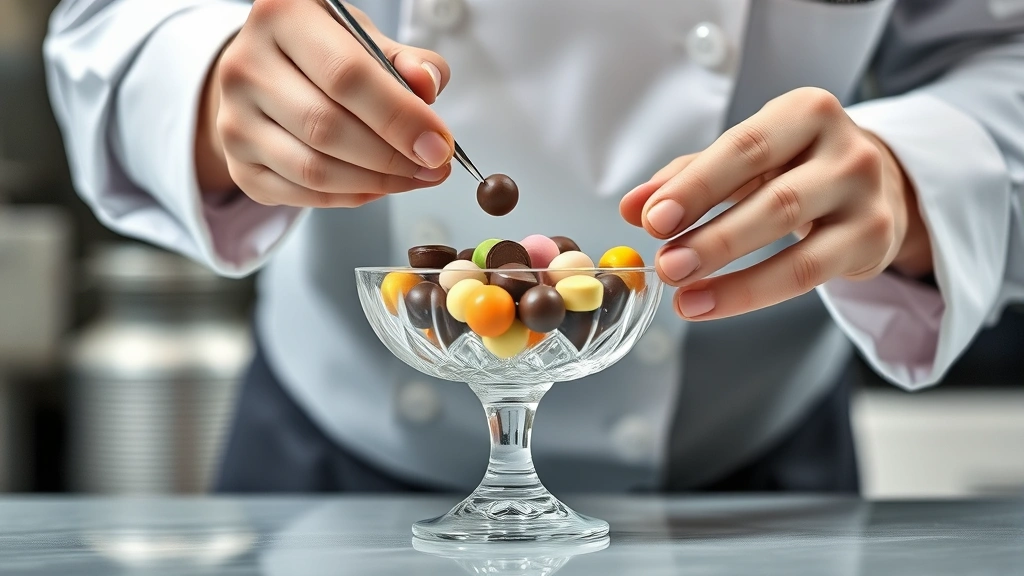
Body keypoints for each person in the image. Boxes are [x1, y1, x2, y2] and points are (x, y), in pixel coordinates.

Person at [44, 0, 1024, 494]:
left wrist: (914, 169)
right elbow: (107, 21)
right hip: (325, 470)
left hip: (759, 482)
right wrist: (210, 79)